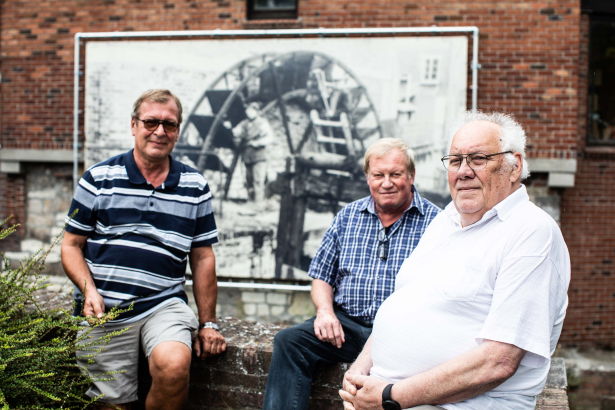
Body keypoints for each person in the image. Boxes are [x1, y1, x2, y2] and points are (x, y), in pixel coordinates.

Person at [339, 112, 571, 410]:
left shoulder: (531, 232)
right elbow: (403, 304)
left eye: (477, 159)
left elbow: (498, 361)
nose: (463, 171)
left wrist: (389, 396)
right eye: (455, 160)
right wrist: (360, 370)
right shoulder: (446, 220)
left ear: (515, 166)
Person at [61, 89, 226, 410]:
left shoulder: (194, 185)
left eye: (170, 125)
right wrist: (88, 290)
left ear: (178, 131)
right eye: (151, 122)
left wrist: (208, 324)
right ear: (134, 125)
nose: (160, 132)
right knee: (110, 404)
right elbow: (71, 245)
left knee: (175, 366)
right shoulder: (98, 178)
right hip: (105, 308)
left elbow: (203, 257)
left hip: (163, 303)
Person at [262, 138, 441, 410]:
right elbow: (321, 275)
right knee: (289, 342)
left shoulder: (436, 223)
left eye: (395, 174)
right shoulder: (348, 216)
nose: (386, 183)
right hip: (346, 327)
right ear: (368, 177)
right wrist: (325, 312)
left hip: (402, 332)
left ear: (411, 175)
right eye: (378, 175)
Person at [231, 101, 275, 202]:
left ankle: (258, 203)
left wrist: (258, 143)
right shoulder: (244, 123)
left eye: (252, 111)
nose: (249, 113)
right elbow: (236, 132)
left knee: (258, 180)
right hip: (247, 155)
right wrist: (229, 128)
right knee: (249, 180)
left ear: (257, 112)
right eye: (248, 111)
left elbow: (270, 137)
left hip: (259, 156)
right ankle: (250, 201)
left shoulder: (262, 123)